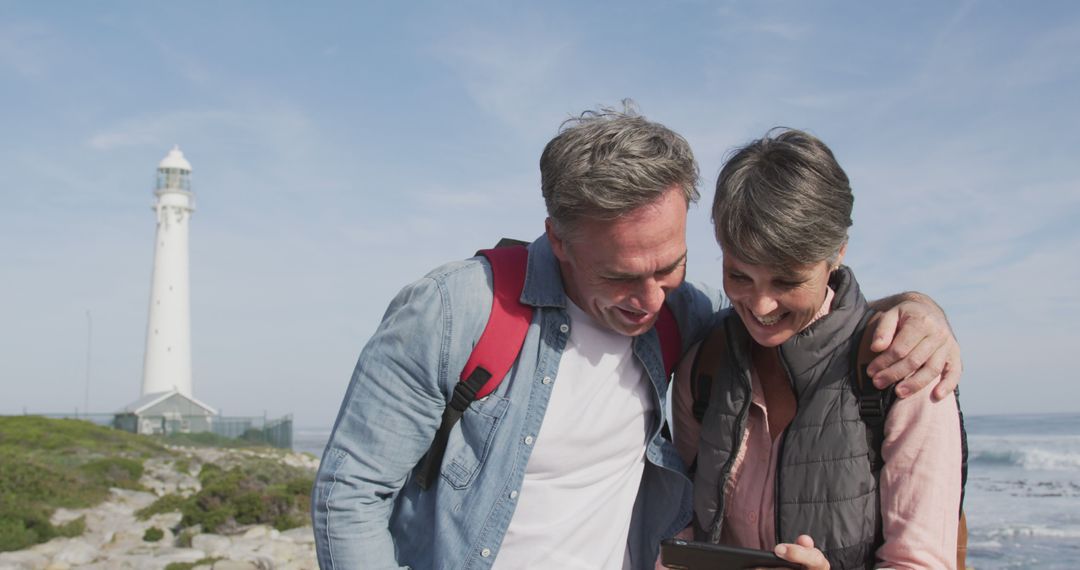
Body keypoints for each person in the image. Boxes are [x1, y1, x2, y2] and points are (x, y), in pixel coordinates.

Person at [312, 106, 962, 570]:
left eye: (670, 266)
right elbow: (349, 495)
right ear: (559, 240)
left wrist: (917, 307)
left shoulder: (688, 319)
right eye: (621, 277)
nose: (650, 301)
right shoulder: (456, 312)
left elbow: (816, 320)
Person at [672, 128, 963, 569]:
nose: (761, 305)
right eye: (739, 276)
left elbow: (920, 562)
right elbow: (686, 520)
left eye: (787, 281)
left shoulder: (906, 368)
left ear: (837, 252)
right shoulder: (703, 365)